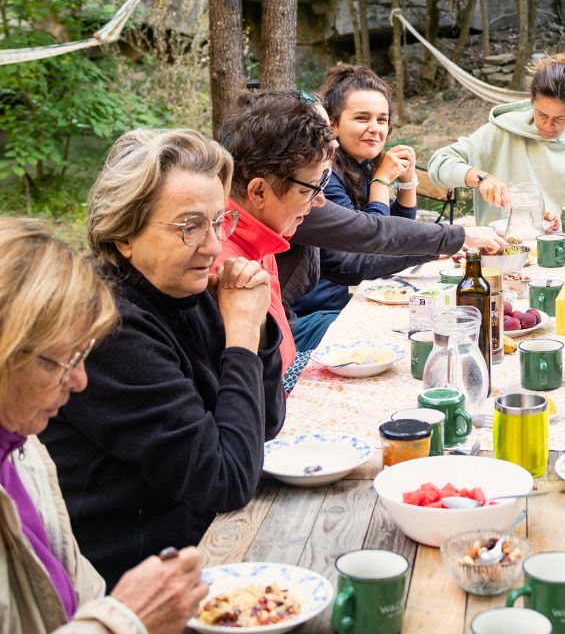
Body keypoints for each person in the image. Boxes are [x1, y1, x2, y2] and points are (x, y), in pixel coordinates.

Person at [42, 129, 285, 586]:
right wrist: (241, 335)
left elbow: (263, 423)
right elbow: (226, 479)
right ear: (124, 233)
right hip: (136, 582)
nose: (214, 246)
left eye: (218, 223)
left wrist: (255, 328)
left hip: (200, 537)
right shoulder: (108, 327)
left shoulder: (182, 290)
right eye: (189, 226)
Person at [0, 217, 208, 634]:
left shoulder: (24, 451)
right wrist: (124, 620)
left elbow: (77, 592)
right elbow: (216, 470)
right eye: (64, 361)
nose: (79, 382)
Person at [291, 67, 502, 347]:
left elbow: (395, 230)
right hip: (317, 313)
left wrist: (406, 183)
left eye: (382, 119)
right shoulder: (322, 180)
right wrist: (381, 182)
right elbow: (368, 247)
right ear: (333, 125)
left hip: (343, 302)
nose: (375, 128)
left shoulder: (359, 165)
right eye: (361, 118)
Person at [215, 91, 336, 375]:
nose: (320, 201)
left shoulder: (263, 238)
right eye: (309, 189)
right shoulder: (223, 264)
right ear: (258, 191)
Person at [428, 53, 565, 225]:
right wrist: (482, 178)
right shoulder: (501, 131)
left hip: (561, 253)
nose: (548, 125)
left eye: (559, 119)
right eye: (542, 114)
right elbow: (439, 164)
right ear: (532, 100)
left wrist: (562, 223)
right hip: (496, 251)